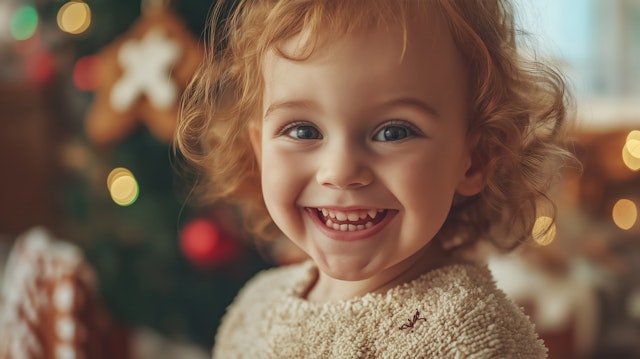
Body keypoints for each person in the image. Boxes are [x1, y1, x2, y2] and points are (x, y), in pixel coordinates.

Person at [176, 0, 575, 357]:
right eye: (302, 130)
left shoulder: (475, 339)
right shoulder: (254, 309)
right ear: (261, 152)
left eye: (394, 132)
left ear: (475, 160)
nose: (341, 171)